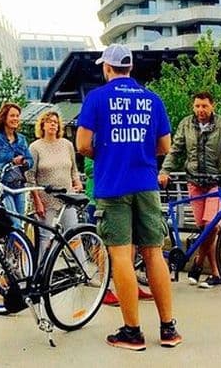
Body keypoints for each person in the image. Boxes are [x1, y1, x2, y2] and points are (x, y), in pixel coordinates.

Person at [76, 44, 181, 351]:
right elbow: (164, 145)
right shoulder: (152, 99)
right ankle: (168, 329)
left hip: (112, 186)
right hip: (146, 184)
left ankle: (132, 332)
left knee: (121, 256)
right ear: (129, 68)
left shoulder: (96, 98)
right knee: (153, 253)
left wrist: (107, 154)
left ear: (107, 68)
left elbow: (82, 145)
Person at [158, 91, 221, 289]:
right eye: (197, 106)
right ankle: (215, 274)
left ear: (213, 106)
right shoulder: (186, 124)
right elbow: (176, 149)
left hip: (216, 182)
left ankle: (197, 264)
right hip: (194, 182)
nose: (200, 110)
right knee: (205, 229)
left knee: (211, 225)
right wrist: (165, 171)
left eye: (204, 106)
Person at [84, 157, 154, 306]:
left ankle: (131, 285)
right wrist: (116, 167)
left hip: (124, 196)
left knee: (130, 243)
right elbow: (90, 170)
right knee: (101, 245)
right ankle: (105, 289)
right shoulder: (96, 139)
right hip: (99, 198)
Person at [25, 110, 82, 261]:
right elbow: (30, 176)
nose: (53, 125)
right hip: (45, 198)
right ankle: (40, 272)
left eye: (56, 122)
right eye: (49, 121)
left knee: (74, 233)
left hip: (66, 197)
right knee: (44, 237)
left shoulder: (67, 145)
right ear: (42, 125)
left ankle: (84, 269)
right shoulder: (35, 147)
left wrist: (77, 183)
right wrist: (37, 200)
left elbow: (73, 170)